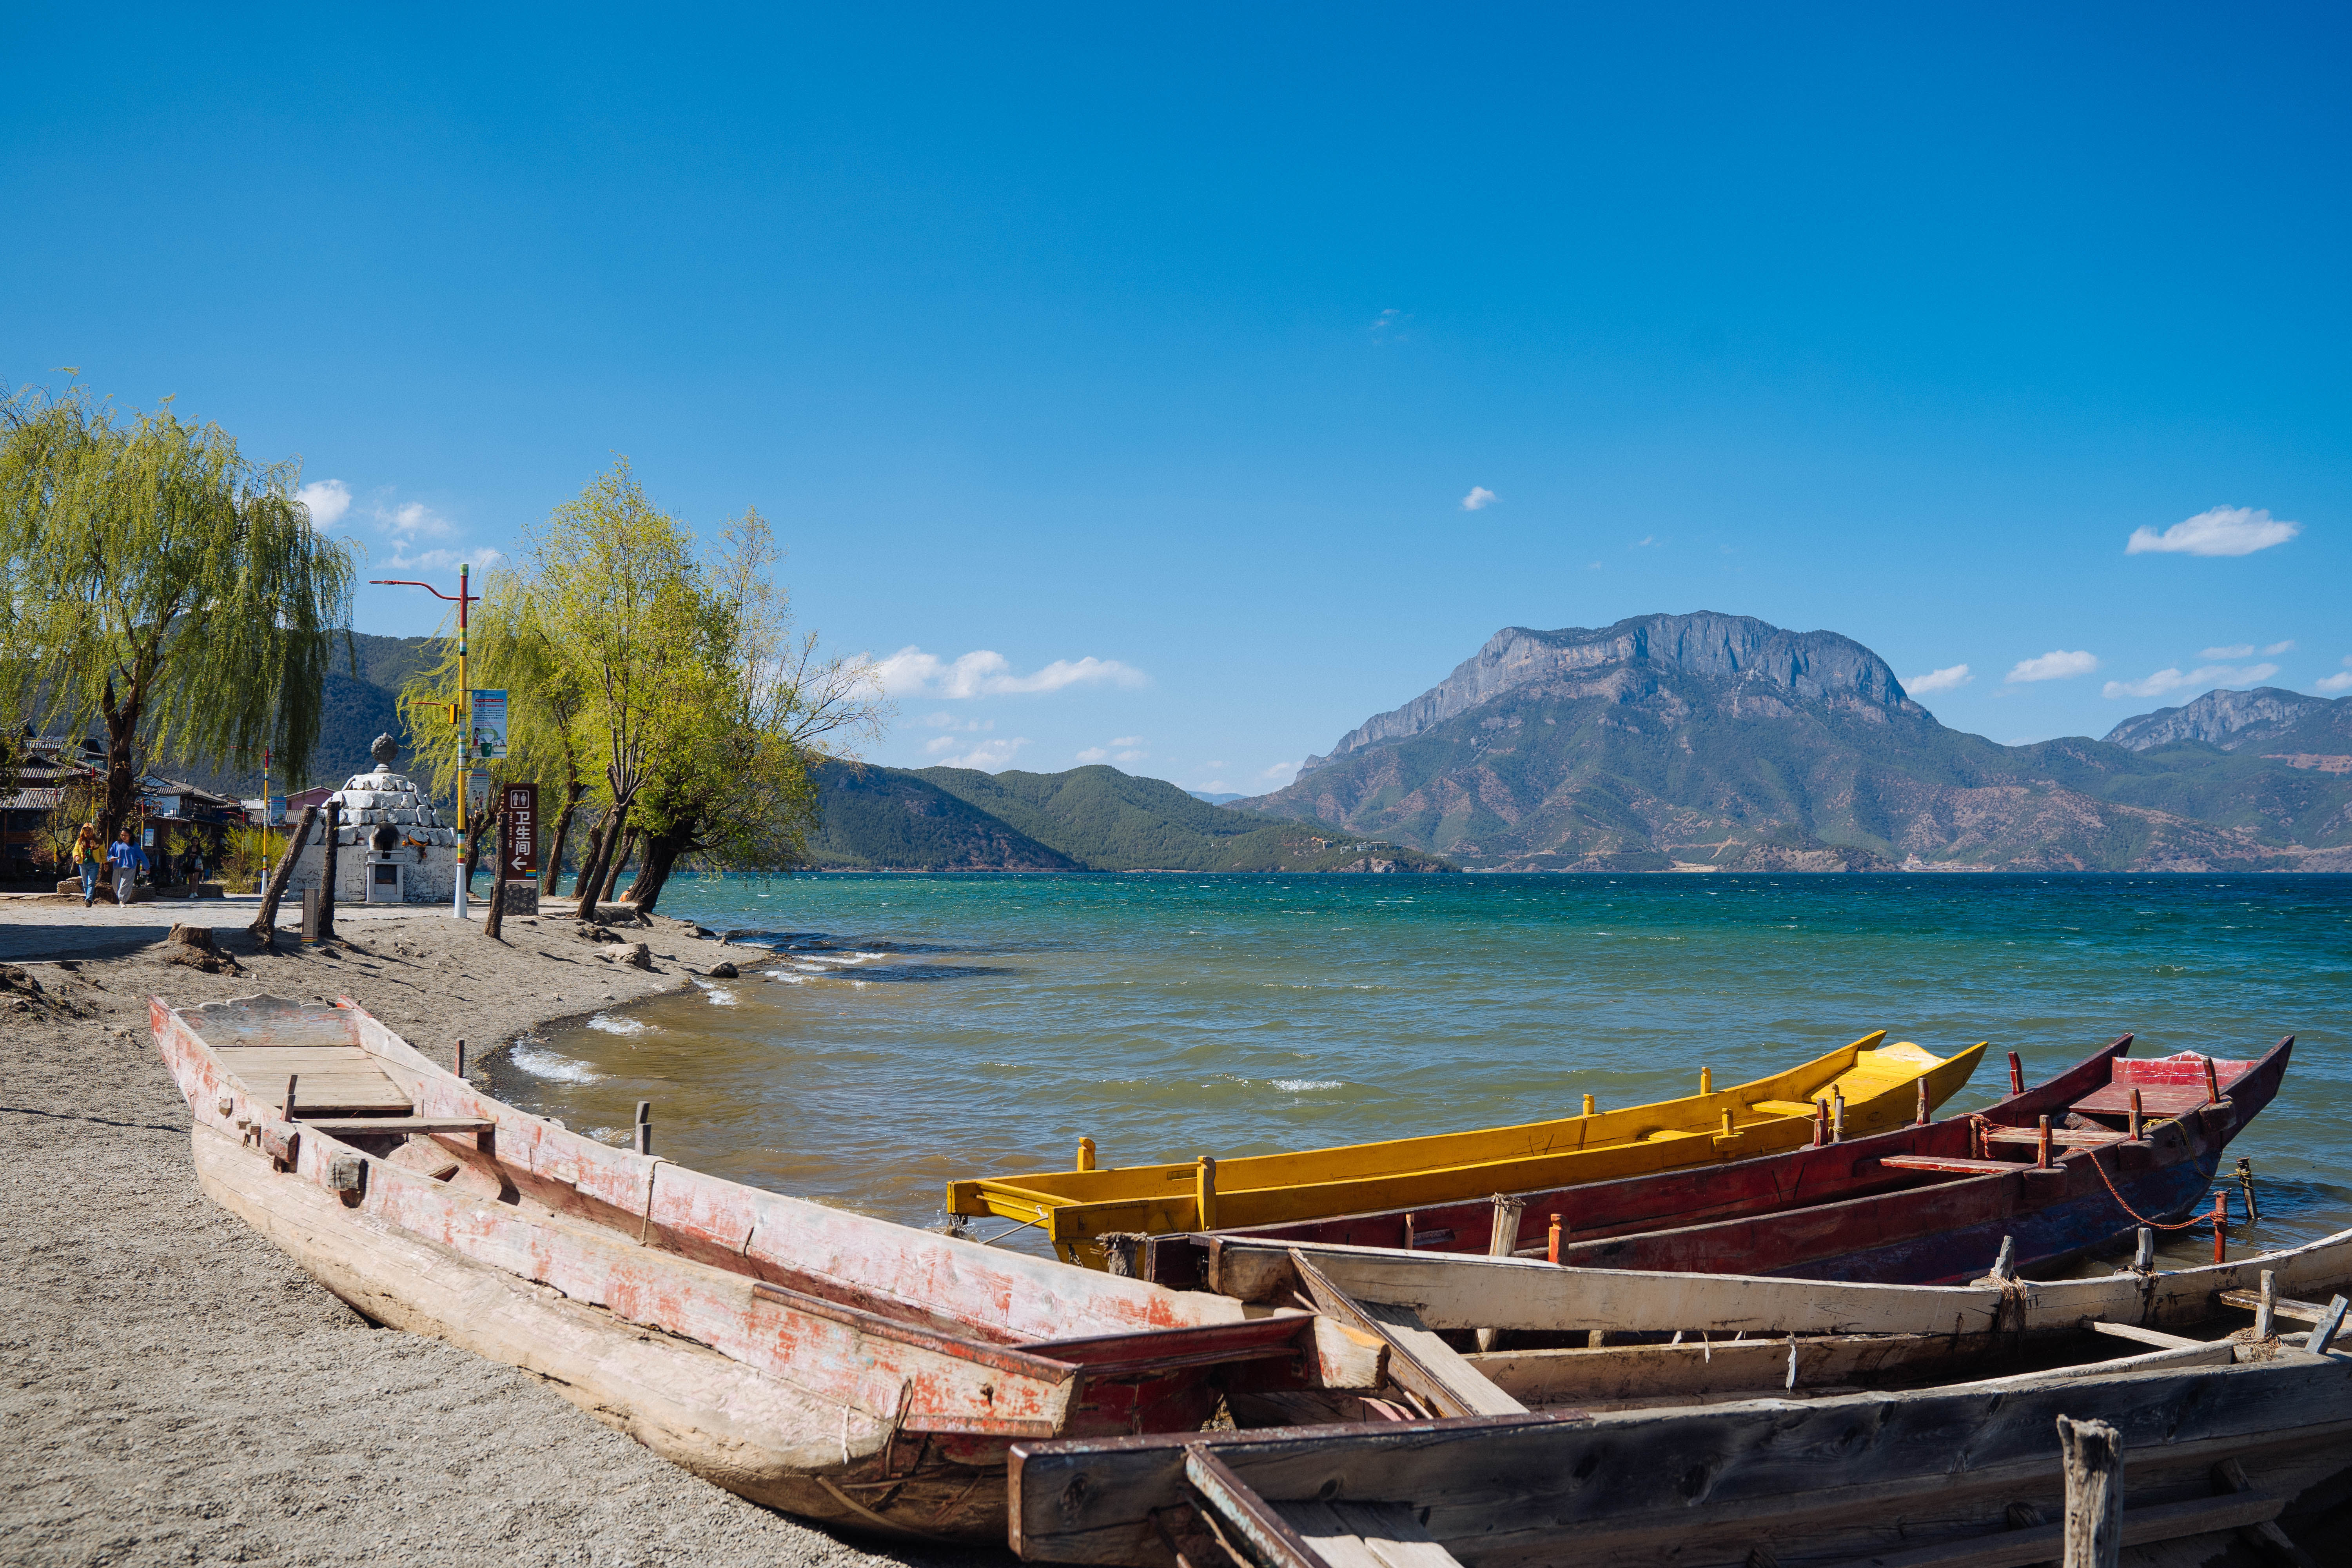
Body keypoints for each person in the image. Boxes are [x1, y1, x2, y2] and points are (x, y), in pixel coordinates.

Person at [106, 829, 146, 906]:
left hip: (130, 867)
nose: (124, 837)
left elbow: (143, 856)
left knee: (125, 884)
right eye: (122, 835)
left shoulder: (135, 845)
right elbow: (110, 854)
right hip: (118, 866)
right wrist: (111, 859)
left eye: (126, 835)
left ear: (130, 835)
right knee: (116, 884)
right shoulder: (117, 844)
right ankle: (121, 897)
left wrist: (147, 867)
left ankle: (122, 900)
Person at [73, 822, 104, 906]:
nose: (88, 832)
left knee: (91, 882)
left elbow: (103, 852)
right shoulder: (80, 841)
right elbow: (75, 850)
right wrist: (76, 857)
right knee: (85, 883)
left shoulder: (99, 841)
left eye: (89, 830)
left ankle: (89, 900)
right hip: (83, 864)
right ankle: (88, 898)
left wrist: (106, 863)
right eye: (86, 830)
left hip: (94, 864)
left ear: (93, 831)